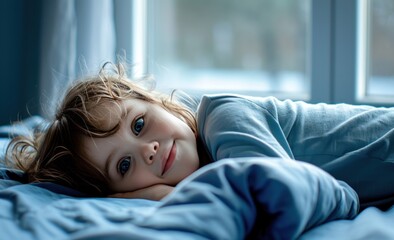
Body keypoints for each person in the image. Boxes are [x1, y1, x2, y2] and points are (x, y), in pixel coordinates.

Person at [5, 62, 394, 210]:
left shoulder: (224, 116)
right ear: (119, 193)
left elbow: (311, 194)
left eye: (139, 125)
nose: (149, 150)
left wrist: (170, 194)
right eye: (124, 165)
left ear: (159, 103)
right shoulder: (215, 165)